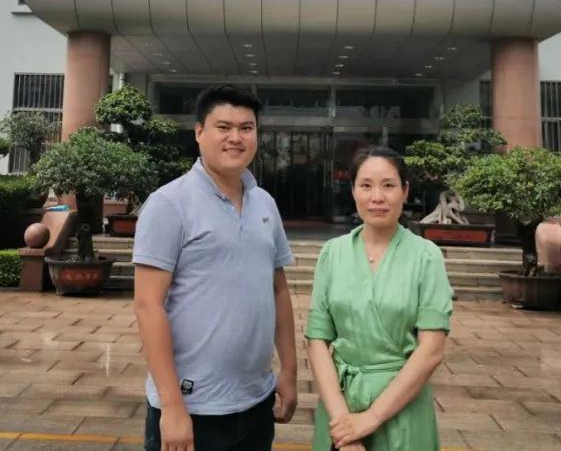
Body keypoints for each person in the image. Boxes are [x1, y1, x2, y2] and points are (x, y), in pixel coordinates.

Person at [133, 84, 298, 451]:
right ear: (199, 132)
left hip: (256, 402)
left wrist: (289, 370)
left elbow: (278, 289)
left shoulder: (264, 203)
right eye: (223, 127)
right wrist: (172, 406)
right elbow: (148, 306)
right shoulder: (168, 204)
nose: (235, 137)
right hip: (192, 408)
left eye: (246, 128)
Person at [305, 146, 453, 451]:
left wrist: (371, 418)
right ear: (353, 191)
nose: (377, 197)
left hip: (402, 409)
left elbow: (431, 350)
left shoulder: (426, 257)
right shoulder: (332, 253)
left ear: (404, 191)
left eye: (388, 185)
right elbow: (317, 340)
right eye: (366, 185)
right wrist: (345, 427)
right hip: (340, 409)